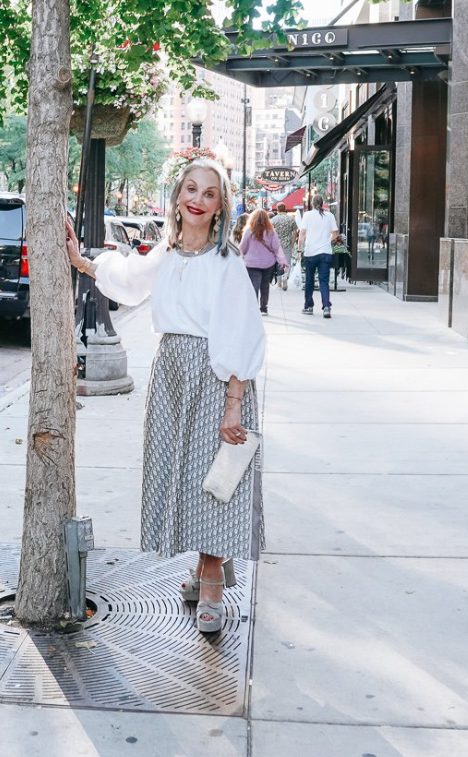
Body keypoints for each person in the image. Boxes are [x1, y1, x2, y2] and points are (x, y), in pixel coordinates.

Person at [65, 157, 264, 635]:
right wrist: (82, 261)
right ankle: (202, 566)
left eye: (208, 194)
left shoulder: (228, 262)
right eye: (190, 190)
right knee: (180, 474)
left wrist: (233, 403)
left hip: (218, 379)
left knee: (216, 480)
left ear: (220, 208)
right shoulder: (168, 254)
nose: (197, 199)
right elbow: (129, 279)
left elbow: (242, 333)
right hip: (172, 372)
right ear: (178, 198)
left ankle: (212, 574)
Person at [240, 208, 287, 315]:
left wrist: (241, 256)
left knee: (254, 286)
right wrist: (283, 261)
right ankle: (263, 308)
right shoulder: (271, 232)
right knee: (265, 286)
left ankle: (253, 308)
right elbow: (276, 248)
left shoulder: (249, 231)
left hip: (252, 263)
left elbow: (243, 248)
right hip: (268, 263)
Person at [299, 194, 338, 318]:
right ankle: (326, 307)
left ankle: (308, 306)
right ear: (322, 203)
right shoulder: (330, 216)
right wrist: (328, 240)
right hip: (325, 252)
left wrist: (299, 250)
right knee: (324, 281)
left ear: (312, 203)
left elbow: (302, 234)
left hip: (311, 252)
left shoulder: (307, 215)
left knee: (309, 280)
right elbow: (335, 235)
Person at [271, 203, 300, 291]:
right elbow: (295, 232)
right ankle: (285, 276)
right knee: (287, 262)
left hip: (277, 244)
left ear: (277, 209)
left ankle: (279, 283)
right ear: (285, 208)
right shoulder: (291, 219)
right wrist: (292, 242)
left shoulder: (273, 220)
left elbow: (270, 232)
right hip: (287, 244)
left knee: (279, 263)